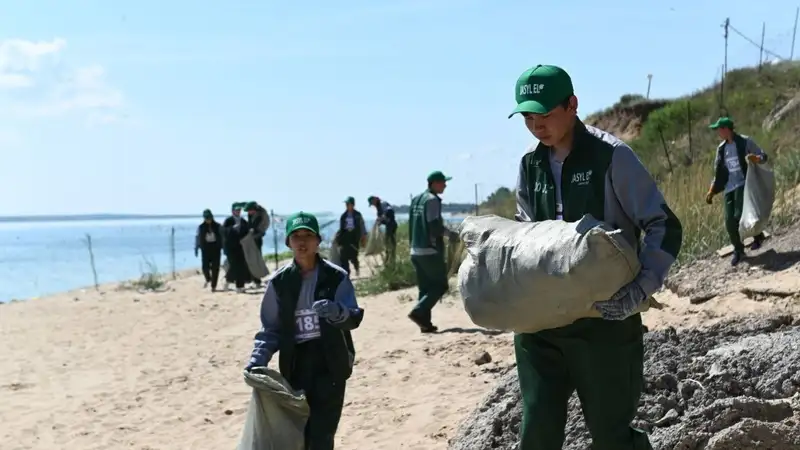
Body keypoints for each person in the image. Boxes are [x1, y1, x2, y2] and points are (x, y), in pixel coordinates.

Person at [509, 64, 683, 449]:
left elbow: (663, 225)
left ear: (572, 105)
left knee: (612, 436)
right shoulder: (529, 163)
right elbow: (525, 232)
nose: (536, 125)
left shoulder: (612, 158)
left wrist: (640, 289)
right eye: (527, 117)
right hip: (541, 322)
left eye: (545, 114)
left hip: (603, 320)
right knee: (536, 433)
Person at [246, 211, 364, 450]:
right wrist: (257, 360)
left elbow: (354, 317)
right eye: (296, 236)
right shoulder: (278, 283)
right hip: (296, 365)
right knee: (299, 431)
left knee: (323, 433)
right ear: (288, 242)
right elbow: (270, 329)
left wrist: (337, 311)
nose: (302, 241)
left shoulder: (336, 277)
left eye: (308, 235)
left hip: (331, 362)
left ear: (318, 241)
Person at [705, 116, 768, 266]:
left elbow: (763, 156)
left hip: (744, 183)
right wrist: (711, 191)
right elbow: (718, 173)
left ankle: (757, 235)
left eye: (719, 130)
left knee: (739, 215)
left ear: (726, 129)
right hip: (729, 187)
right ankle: (738, 250)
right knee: (729, 221)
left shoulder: (745, 142)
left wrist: (756, 159)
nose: (718, 133)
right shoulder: (721, 149)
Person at [407, 171, 456, 333]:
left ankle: (425, 324)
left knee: (425, 288)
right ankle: (419, 312)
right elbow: (434, 225)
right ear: (434, 183)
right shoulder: (432, 200)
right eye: (443, 182)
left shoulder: (416, 200)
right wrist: (451, 235)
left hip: (415, 249)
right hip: (429, 250)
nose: (445, 185)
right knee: (440, 285)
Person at [222, 202, 251, 293]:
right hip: (230, 248)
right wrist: (232, 229)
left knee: (241, 266)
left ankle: (240, 286)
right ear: (232, 211)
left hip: (241, 247)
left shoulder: (243, 221)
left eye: (239, 210)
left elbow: (247, 232)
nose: (238, 211)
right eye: (236, 210)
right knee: (234, 265)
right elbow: (223, 232)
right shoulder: (228, 221)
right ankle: (227, 281)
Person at [334, 197, 367, 276]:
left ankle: (357, 268)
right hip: (345, 238)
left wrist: (363, 237)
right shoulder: (343, 216)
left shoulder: (358, 215)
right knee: (343, 257)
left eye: (348, 204)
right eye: (346, 204)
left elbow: (362, 226)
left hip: (354, 238)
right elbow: (341, 228)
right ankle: (347, 274)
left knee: (353, 256)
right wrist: (338, 238)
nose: (347, 205)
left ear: (352, 204)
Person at [195, 209, 223, 291]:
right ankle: (208, 279)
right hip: (205, 249)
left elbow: (222, 237)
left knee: (215, 267)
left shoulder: (218, 226)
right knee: (205, 267)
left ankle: (213, 286)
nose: (208, 220)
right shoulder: (201, 227)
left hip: (216, 248)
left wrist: (224, 247)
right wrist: (196, 248)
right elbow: (197, 238)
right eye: (206, 218)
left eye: (209, 218)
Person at [245, 200, 271, 286]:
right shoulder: (251, 214)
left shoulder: (261, 215)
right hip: (250, 239)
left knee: (256, 259)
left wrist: (255, 233)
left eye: (250, 210)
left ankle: (257, 281)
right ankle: (254, 280)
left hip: (257, 239)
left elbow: (259, 228)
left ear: (254, 209)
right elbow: (249, 225)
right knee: (250, 259)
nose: (249, 212)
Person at [367, 195, 398, 264]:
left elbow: (390, 210)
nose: (373, 205)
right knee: (387, 243)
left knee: (390, 243)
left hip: (391, 225)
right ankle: (389, 259)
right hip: (388, 226)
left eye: (372, 203)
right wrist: (379, 222)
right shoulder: (378, 207)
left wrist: (383, 216)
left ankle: (391, 259)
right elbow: (380, 218)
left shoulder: (383, 203)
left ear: (375, 200)